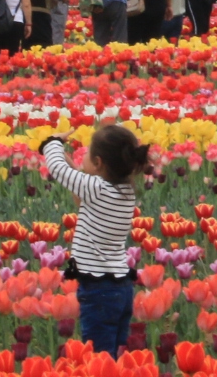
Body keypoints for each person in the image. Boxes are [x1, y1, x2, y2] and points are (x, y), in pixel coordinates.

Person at [39, 124, 148, 356]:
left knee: (99, 357)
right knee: (117, 353)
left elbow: (57, 169)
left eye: (87, 154)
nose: (83, 158)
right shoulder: (125, 191)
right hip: (122, 288)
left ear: (98, 163)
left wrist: (52, 142)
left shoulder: (96, 188)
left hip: (98, 290)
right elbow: (83, 200)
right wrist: (76, 169)